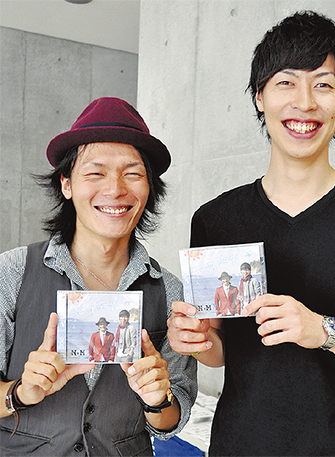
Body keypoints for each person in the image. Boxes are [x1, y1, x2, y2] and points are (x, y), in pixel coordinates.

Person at [167, 11, 335, 457]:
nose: (304, 103)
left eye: (323, 84)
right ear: (260, 97)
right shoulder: (216, 219)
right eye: (286, 83)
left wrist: (325, 331)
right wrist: (194, 340)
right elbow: (220, 351)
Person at [0, 97, 197, 456]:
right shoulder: (12, 272)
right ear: (66, 184)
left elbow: (170, 422)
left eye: (132, 173)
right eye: (95, 173)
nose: (115, 189)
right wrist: (20, 392)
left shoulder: (170, 291)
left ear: (149, 188)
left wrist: (157, 399)